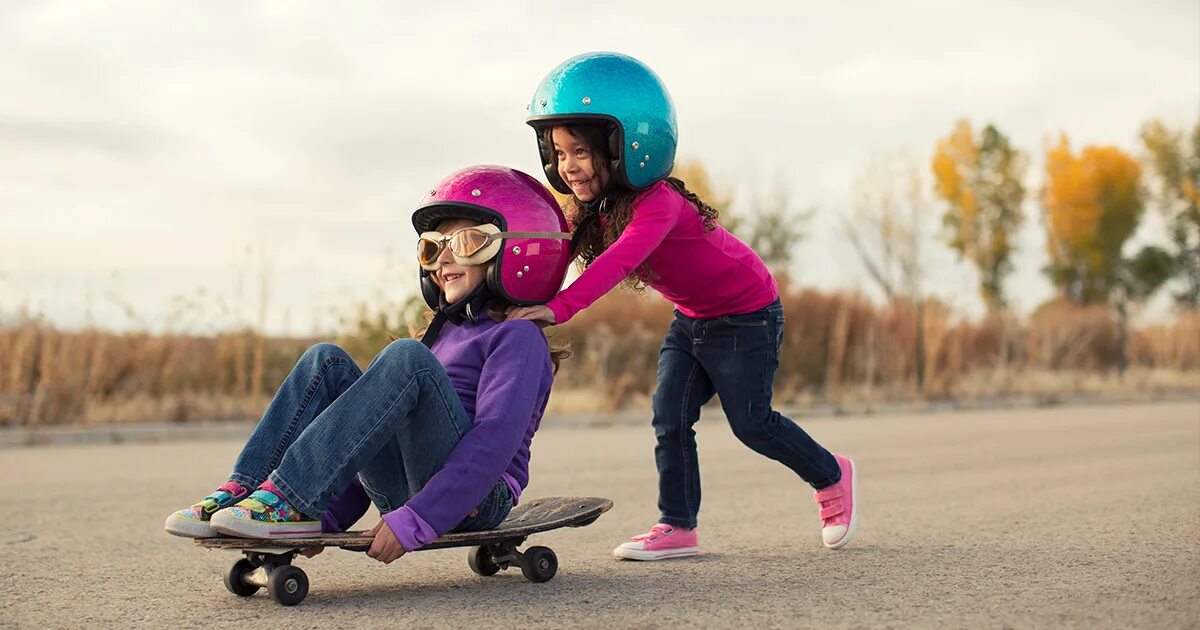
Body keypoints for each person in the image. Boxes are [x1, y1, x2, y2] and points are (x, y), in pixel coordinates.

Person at [512, 52, 858, 560]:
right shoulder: (595, 209)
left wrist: (558, 310)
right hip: (692, 319)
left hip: (747, 313)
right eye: (559, 153)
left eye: (580, 151)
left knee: (753, 424)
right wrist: (512, 297)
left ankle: (832, 475)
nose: (568, 166)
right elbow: (555, 252)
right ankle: (677, 526)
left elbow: (616, 263)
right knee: (669, 416)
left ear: (625, 146)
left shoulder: (659, 205)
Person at [165, 165, 573, 563]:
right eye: (434, 246)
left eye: (464, 243)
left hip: (477, 499)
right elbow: (374, 437)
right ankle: (250, 490)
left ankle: (288, 498)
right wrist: (325, 519)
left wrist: (420, 519)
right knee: (325, 361)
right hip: (414, 484)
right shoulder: (443, 331)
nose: (443, 259)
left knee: (406, 358)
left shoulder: (517, 337)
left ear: (516, 249)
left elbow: (494, 442)